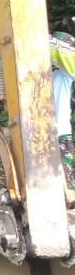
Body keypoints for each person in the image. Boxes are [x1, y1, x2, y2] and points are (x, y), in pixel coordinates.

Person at [51, 32, 75, 195]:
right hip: (42, 134)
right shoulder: (47, 72)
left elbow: (57, 51)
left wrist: (44, 39)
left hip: (60, 133)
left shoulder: (68, 69)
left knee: (65, 184)